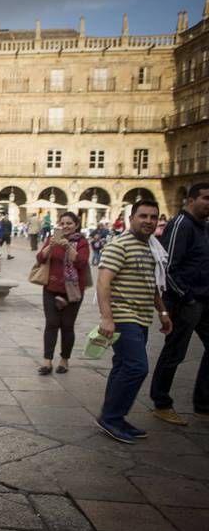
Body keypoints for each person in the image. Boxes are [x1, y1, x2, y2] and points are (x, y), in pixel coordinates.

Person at [95, 199, 172, 444]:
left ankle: (113, 417)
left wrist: (162, 312)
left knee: (122, 367)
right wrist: (107, 317)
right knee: (137, 368)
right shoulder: (119, 245)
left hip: (141, 317)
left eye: (153, 217)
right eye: (143, 216)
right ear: (131, 219)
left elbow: (153, 286)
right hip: (123, 316)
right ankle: (111, 417)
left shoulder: (151, 247)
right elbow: (103, 282)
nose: (149, 221)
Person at [150, 183, 209, 425]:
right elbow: (167, 267)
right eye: (206, 198)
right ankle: (161, 402)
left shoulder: (203, 227)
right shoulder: (181, 225)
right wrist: (186, 297)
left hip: (204, 300)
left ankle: (203, 403)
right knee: (174, 352)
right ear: (191, 200)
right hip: (185, 302)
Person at [35, 212, 90, 375]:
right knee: (51, 324)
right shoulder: (53, 239)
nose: (65, 226)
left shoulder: (81, 242)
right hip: (51, 288)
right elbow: (40, 258)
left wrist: (68, 246)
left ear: (76, 224)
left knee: (67, 326)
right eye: (63, 223)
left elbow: (81, 262)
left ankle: (64, 360)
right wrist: (50, 246)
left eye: (69, 223)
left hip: (72, 291)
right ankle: (47, 361)